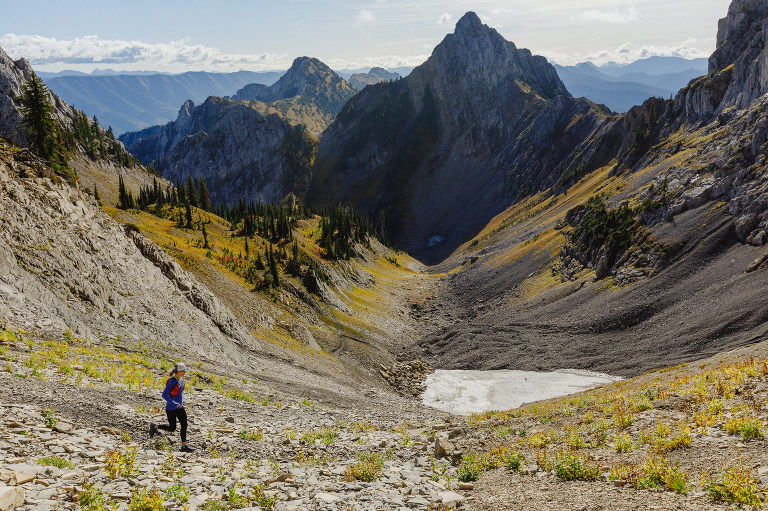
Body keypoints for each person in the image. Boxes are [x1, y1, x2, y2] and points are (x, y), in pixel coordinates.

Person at [149, 362, 194, 452]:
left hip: (179, 407)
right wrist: (173, 402)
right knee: (172, 428)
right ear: (178, 371)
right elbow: (164, 394)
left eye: (185, 370)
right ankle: (155, 427)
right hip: (171, 409)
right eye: (183, 371)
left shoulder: (181, 380)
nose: (185, 372)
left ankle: (183, 446)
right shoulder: (172, 381)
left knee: (184, 425)